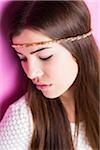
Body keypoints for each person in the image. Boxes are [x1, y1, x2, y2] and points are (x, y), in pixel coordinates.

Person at [0, 1, 99, 150]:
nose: (31, 73)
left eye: (45, 56)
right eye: (22, 58)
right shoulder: (23, 118)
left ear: (79, 49)